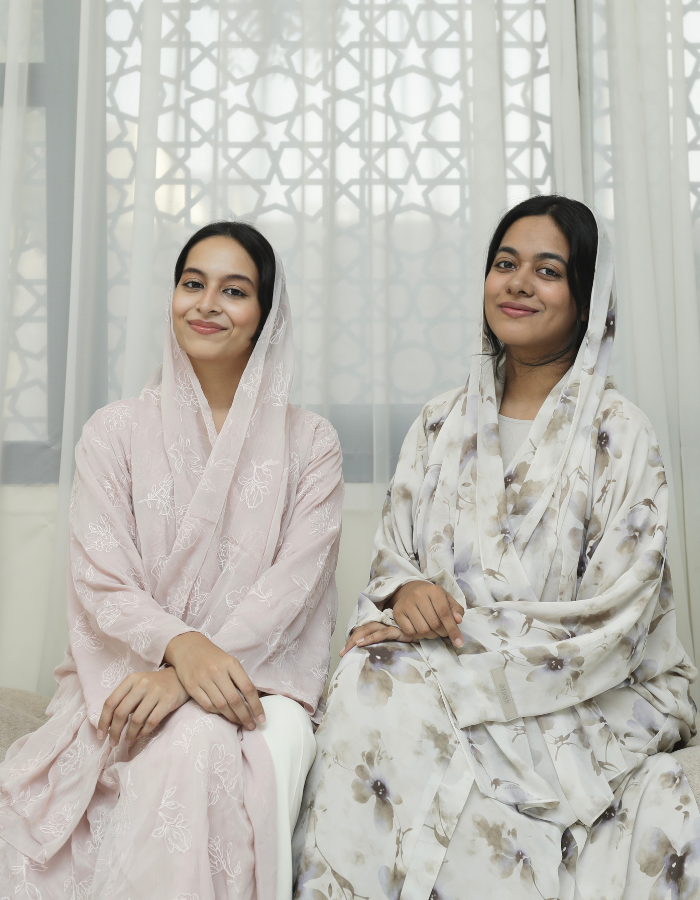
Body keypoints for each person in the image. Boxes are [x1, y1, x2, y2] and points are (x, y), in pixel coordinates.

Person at [293, 196, 699, 900]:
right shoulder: (438, 423)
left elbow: (617, 616)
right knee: (366, 677)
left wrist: (461, 640)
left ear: (586, 298)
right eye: (505, 264)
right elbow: (394, 558)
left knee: (392, 689)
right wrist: (407, 592)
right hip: (441, 666)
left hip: (585, 690)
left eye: (548, 270)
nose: (518, 283)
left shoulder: (622, 434)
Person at [0, 222, 343, 898]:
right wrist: (179, 649)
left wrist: (190, 676)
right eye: (193, 283)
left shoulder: (312, 444)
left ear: (267, 315)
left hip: (254, 684)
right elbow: (103, 582)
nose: (207, 303)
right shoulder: (113, 432)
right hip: (125, 678)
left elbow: (294, 589)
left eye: (234, 290)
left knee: (195, 742)